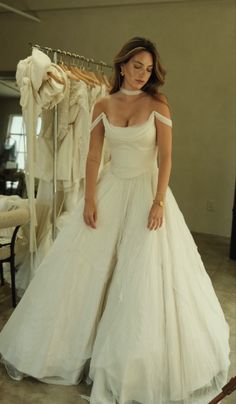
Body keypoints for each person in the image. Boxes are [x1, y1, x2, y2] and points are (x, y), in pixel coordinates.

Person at [0, 37, 230, 404]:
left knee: (140, 274)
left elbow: (167, 158)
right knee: (86, 269)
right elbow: (93, 156)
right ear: (122, 66)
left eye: (149, 68)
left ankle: (126, 361)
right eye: (137, 66)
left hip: (146, 193)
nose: (143, 74)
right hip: (109, 190)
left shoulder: (159, 103)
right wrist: (89, 198)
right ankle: (71, 349)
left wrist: (158, 202)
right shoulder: (103, 103)